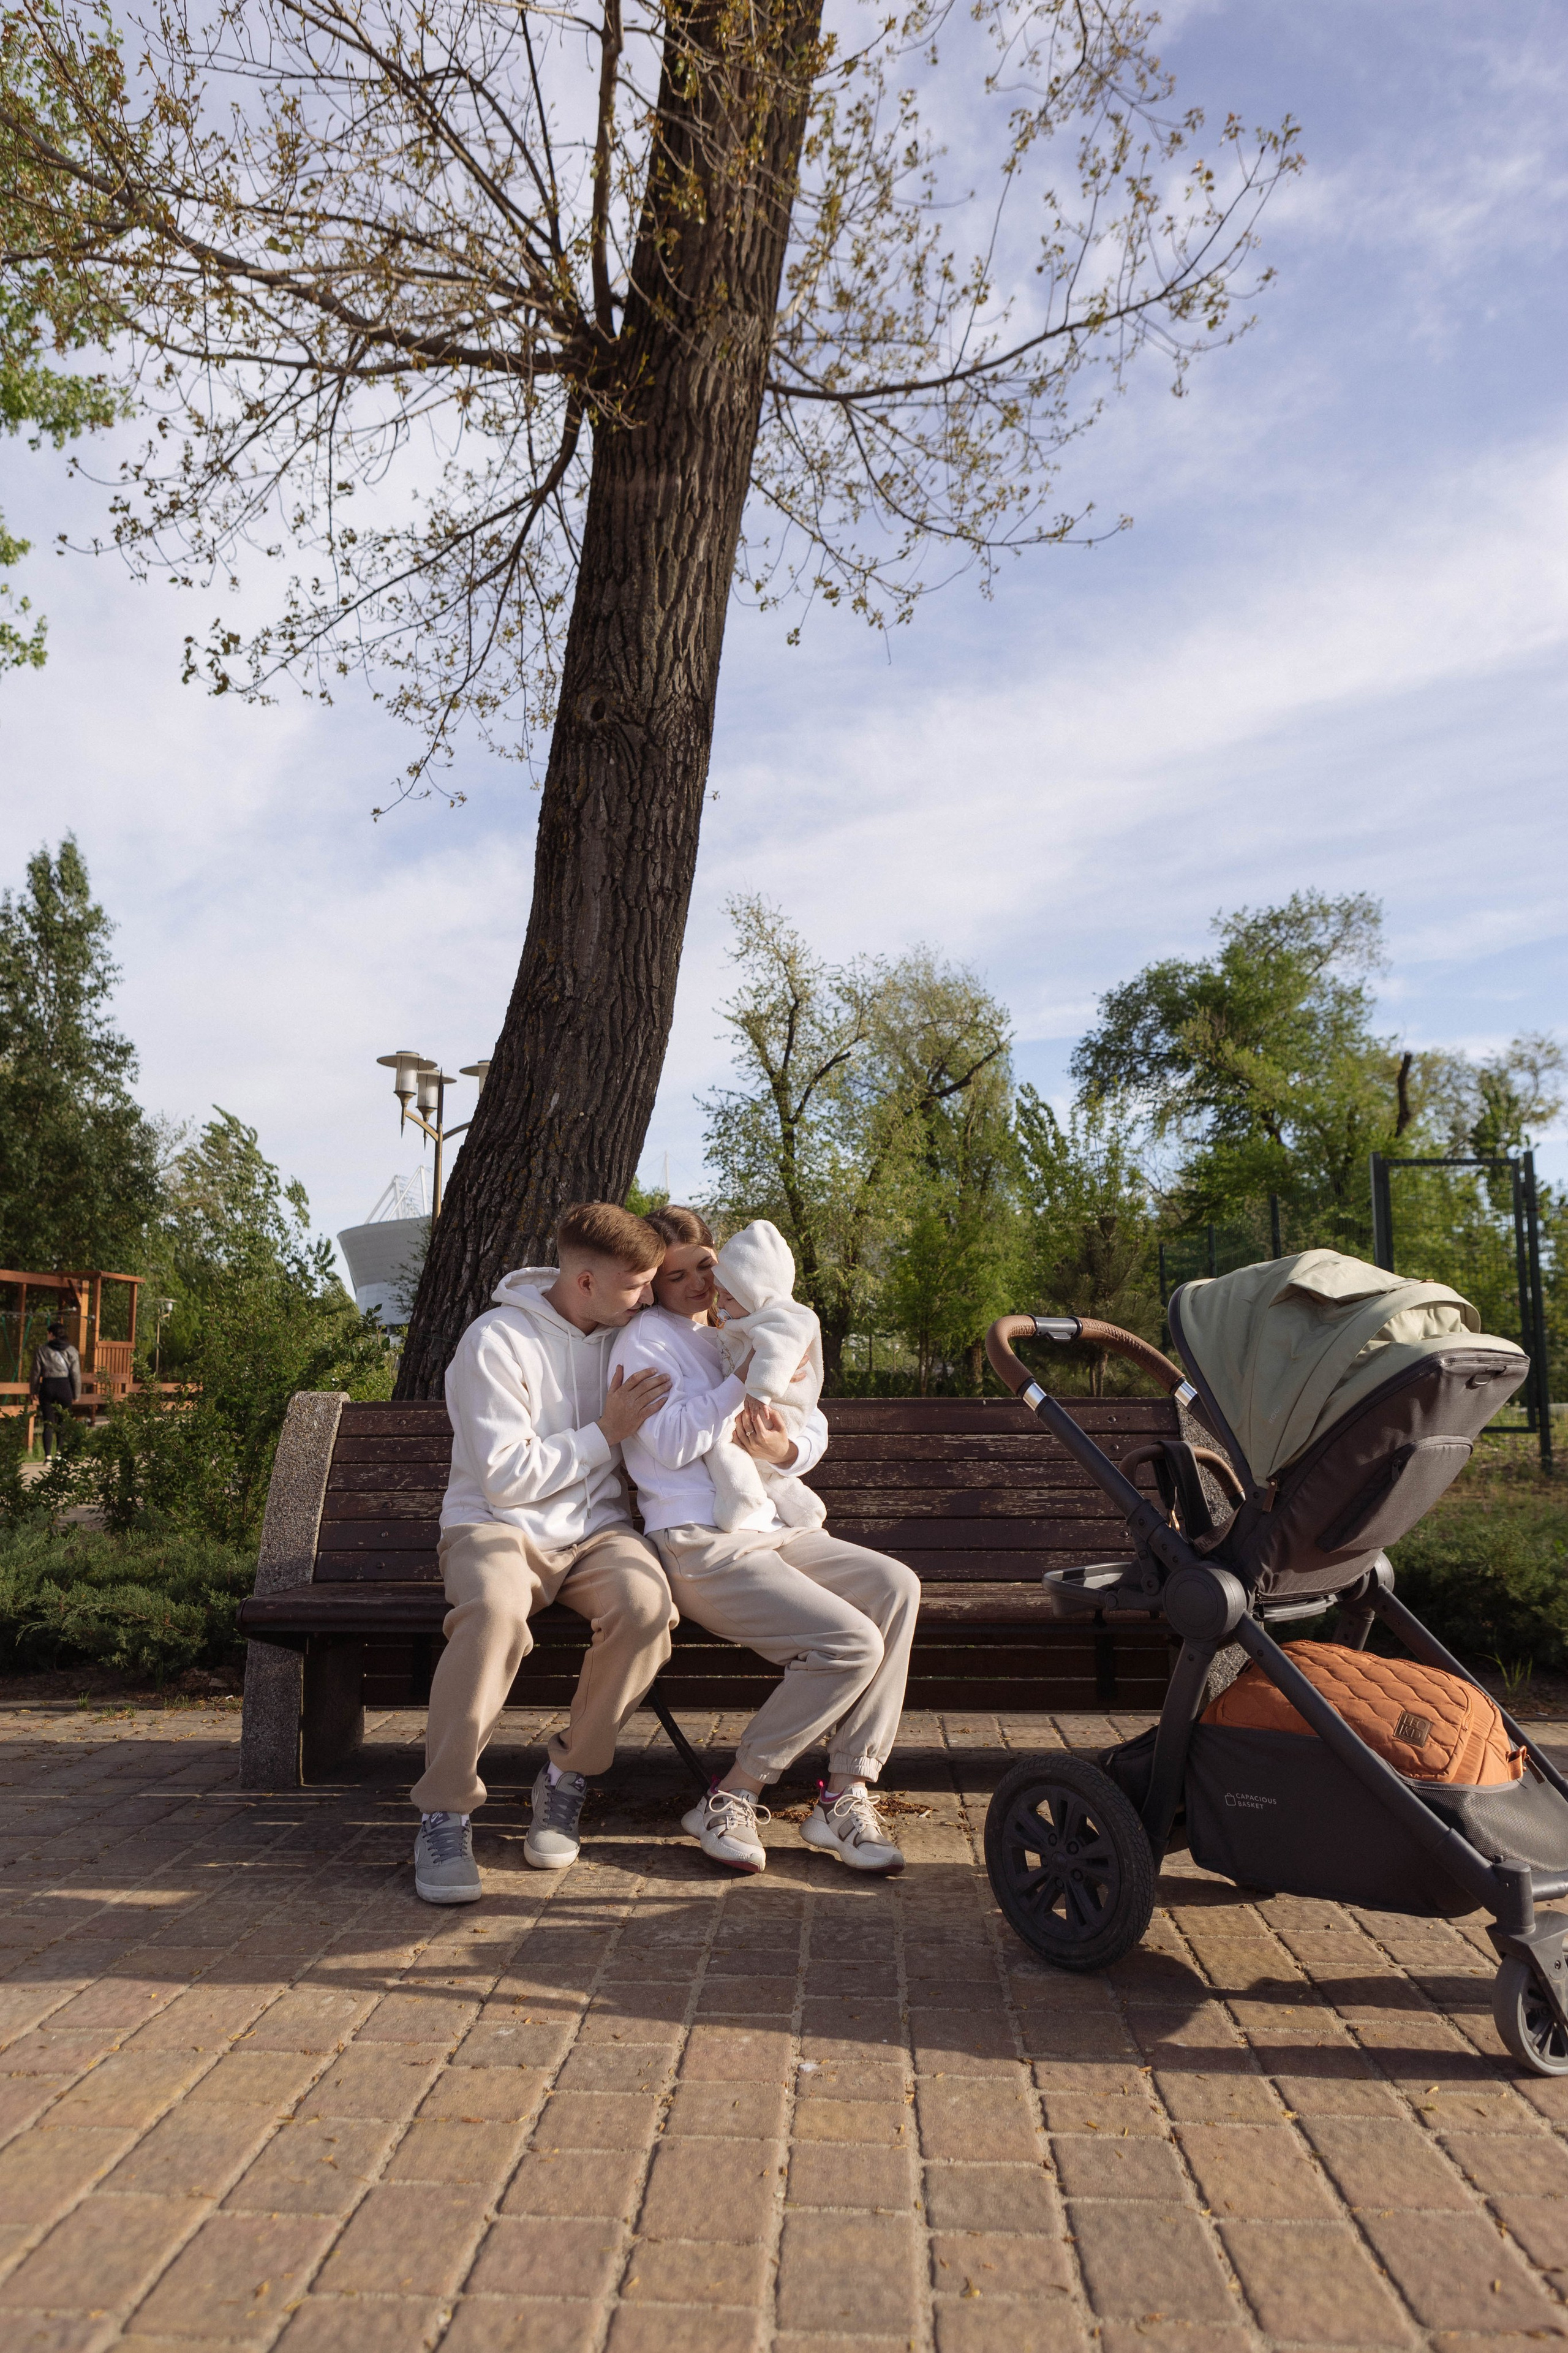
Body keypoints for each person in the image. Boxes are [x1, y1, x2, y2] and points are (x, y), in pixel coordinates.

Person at [608, 1206, 919, 1877]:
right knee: (849, 1644)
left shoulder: (740, 1327)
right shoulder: (647, 1343)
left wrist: (783, 1445)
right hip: (700, 1542)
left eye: (706, 1267)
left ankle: (844, 1792)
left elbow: (803, 1429)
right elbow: (667, 1441)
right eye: (676, 1275)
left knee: (896, 1586)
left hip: (772, 1530)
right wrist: (739, 1382)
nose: (696, 1283)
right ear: (653, 1286)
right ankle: (734, 1793)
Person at [412, 1201, 675, 1905]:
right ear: (583, 1281)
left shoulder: (629, 1336)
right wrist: (605, 1431)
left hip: (597, 1532)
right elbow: (505, 1476)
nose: (647, 1297)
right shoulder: (495, 1340)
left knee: (648, 1608)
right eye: (634, 1285)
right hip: (497, 1526)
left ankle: (565, 1778)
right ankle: (444, 1811)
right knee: (494, 1614)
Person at [31, 1320, 81, 1457]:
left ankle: (48, 1457)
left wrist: (33, 1391)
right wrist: (77, 1394)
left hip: (48, 1386)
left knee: (48, 1422)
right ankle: (60, 1454)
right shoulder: (72, 1351)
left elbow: (36, 1372)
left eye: (48, 1334)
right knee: (63, 1421)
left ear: (51, 1334)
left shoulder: (42, 1350)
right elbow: (76, 1374)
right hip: (65, 1387)